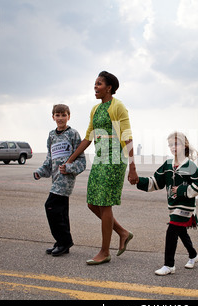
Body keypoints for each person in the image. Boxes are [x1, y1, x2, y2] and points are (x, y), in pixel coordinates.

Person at [64, 71, 137, 265]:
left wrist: (132, 167)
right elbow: (88, 137)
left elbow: (127, 136)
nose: (95, 87)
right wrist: (70, 159)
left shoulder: (118, 106)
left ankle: (105, 252)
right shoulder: (95, 110)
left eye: (99, 84)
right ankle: (122, 232)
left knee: (105, 204)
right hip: (100, 159)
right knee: (92, 203)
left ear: (109, 87)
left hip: (114, 160)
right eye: (95, 84)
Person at [135, 132, 198, 275]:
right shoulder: (167, 165)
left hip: (186, 207)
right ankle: (193, 255)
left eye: (176, 144)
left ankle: (169, 265)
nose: (173, 147)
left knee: (172, 230)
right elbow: (155, 182)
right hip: (173, 207)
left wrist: (181, 190)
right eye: (170, 145)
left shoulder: (190, 166)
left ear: (183, 145)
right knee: (181, 231)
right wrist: (138, 181)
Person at [34, 104, 86, 256]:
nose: (60, 118)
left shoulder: (73, 134)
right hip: (54, 178)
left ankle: (64, 241)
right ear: (53, 117)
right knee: (61, 212)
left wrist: (69, 168)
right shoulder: (51, 135)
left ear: (68, 116)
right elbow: (49, 160)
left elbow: (81, 162)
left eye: (63, 115)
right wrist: (40, 172)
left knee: (51, 206)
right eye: (57, 115)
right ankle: (62, 242)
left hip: (65, 180)